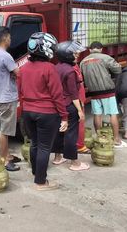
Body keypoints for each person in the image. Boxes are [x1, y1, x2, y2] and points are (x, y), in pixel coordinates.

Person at [19, 32, 69, 190]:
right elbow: (57, 95)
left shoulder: (24, 68)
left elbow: (20, 91)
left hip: (27, 112)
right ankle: (41, 182)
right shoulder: (49, 68)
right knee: (44, 147)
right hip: (47, 113)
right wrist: (64, 117)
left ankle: (36, 172)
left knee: (35, 144)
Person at [51, 41, 90, 171]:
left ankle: (57, 157)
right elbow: (73, 94)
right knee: (71, 134)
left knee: (59, 131)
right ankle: (74, 163)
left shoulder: (56, 67)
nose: (77, 55)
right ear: (67, 55)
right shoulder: (70, 71)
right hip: (69, 105)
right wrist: (80, 111)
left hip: (57, 105)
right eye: (74, 53)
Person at [80, 42, 127, 148]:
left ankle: (99, 137)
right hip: (107, 90)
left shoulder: (83, 61)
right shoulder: (106, 58)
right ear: (101, 49)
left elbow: (81, 76)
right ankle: (116, 140)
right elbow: (118, 69)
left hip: (93, 92)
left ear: (90, 50)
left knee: (97, 114)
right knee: (113, 114)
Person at [0, 26, 20, 172]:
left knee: (5, 130)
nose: (10, 39)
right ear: (4, 38)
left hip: (1, 96)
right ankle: (3, 160)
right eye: (9, 37)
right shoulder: (5, 55)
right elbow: (18, 73)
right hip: (7, 97)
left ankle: (6, 155)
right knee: (5, 131)